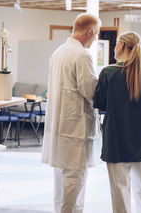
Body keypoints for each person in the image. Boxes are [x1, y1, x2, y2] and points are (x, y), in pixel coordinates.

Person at [93, 31, 141, 213]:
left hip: (115, 142)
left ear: (123, 45)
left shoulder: (108, 73)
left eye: (116, 44)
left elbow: (99, 105)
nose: (115, 47)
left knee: (119, 191)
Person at [41, 13, 102, 213]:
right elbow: (89, 90)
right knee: (74, 183)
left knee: (61, 183)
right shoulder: (82, 55)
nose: (95, 40)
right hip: (75, 130)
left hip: (59, 128)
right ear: (89, 31)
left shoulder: (58, 52)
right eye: (96, 35)